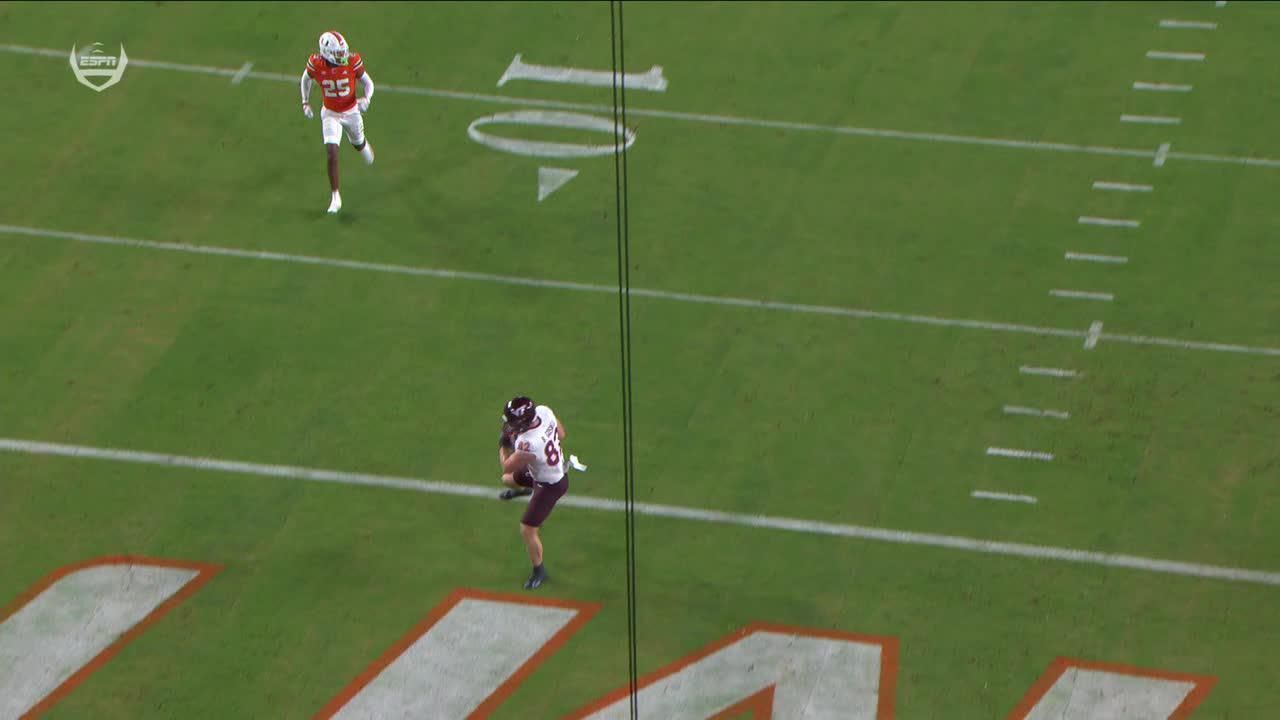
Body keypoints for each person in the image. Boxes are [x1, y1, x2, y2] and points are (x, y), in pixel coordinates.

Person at [497, 396, 586, 590]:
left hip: (551, 485)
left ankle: (539, 570)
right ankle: (529, 489)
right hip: (544, 470)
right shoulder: (544, 412)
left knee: (527, 529)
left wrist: (503, 444)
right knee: (507, 481)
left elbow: (507, 465)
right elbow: (561, 434)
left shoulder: (528, 443)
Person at [300, 30, 374, 214]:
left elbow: (369, 83)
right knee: (332, 152)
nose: (343, 56)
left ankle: (363, 144)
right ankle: (335, 196)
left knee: (358, 144)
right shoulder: (316, 64)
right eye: (338, 53)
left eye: (343, 52)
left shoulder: (352, 61)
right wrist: (305, 102)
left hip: (351, 111)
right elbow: (305, 79)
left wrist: (367, 98)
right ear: (326, 53)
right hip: (330, 113)